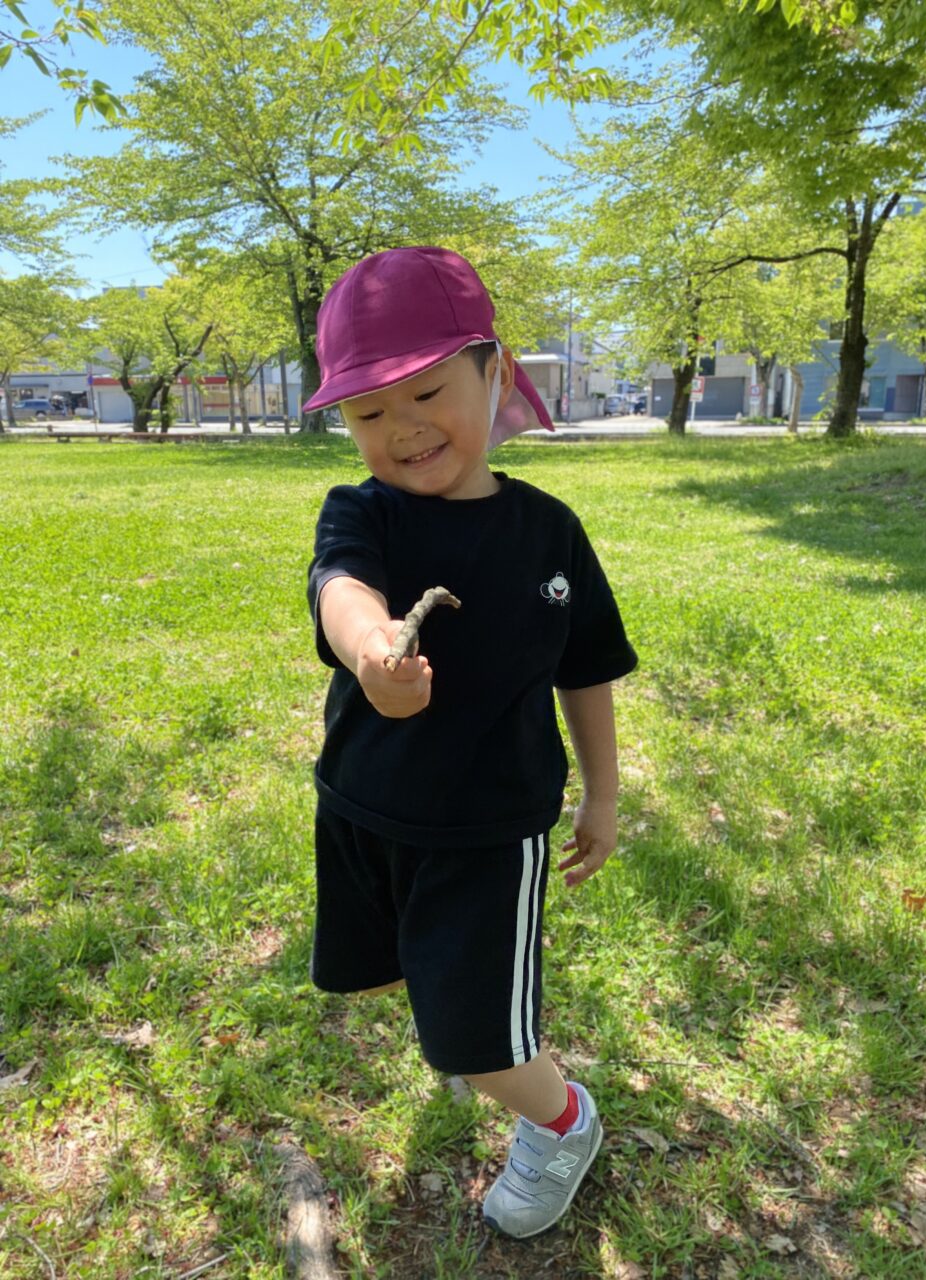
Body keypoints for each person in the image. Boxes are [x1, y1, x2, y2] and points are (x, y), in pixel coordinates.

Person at [305, 246, 637, 1240]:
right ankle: (457, 1006)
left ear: (496, 375)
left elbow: (586, 665)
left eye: (427, 392)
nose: (403, 427)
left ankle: (563, 1121)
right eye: (368, 411)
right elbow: (341, 589)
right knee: (395, 974)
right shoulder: (362, 511)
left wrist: (604, 793)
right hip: (362, 808)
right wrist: (373, 651)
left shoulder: (549, 531)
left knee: (480, 1045)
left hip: (488, 833)